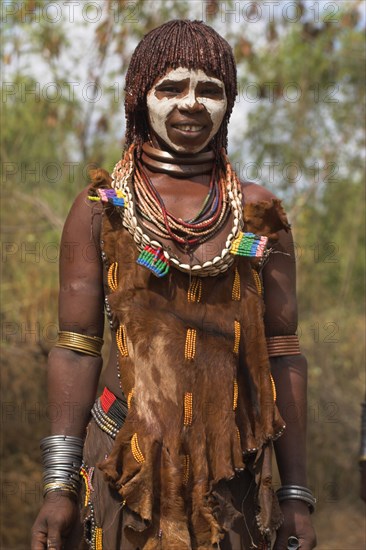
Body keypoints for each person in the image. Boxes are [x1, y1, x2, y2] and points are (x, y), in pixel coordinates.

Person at [31, 19, 317, 550]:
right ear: (141, 97)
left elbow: (283, 354)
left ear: (229, 103)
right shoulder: (103, 210)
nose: (192, 104)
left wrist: (295, 497)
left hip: (232, 481)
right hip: (121, 470)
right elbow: (76, 348)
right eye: (172, 88)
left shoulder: (256, 213)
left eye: (210, 90)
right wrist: (58, 486)